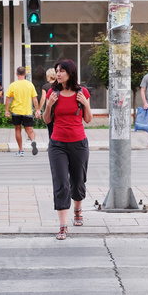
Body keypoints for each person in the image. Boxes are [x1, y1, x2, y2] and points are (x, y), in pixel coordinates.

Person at [43, 59, 92, 240]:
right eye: (57, 70)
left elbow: (88, 119)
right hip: (57, 144)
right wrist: (48, 105)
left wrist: (85, 104)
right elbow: (47, 120)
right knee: (61, 183)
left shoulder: (82, 92)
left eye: (62, 70)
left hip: (79, 143)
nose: (58, 73)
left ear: (70, 73)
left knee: (78, 181)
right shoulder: (52, 93)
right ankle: (63, 226)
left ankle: (78, 210)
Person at [5, 66, 41, 156]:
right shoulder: (30, 85)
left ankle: (21, 150)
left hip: (16, 111)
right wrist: (37, 110)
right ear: (25, 74)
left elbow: (7, 98)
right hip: (27, 111)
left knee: (18, 130)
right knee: (30, 130)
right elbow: (35, 99)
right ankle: (33, 140)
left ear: (16, 74)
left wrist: (7, 111)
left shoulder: (13, 85)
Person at [38, 68, 56, 138]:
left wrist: (39, 109)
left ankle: (51, 144)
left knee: (50, 129)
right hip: (58, 109)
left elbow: (43, 99)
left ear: (48, 76)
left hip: (49, 110)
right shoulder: (60, 85)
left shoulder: (45, 87)